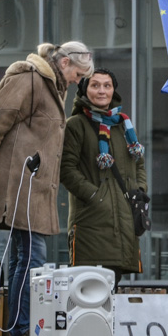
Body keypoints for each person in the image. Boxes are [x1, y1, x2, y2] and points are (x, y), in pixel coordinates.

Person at [0, 42, 94, 336]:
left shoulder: (51, 86)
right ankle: (23, 332)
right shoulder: (30, 80)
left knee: (23, 260)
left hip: (31, 189)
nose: (79, 81)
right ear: (64, 62)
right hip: (20, 188)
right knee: (31, 259)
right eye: (78, 74)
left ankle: (19, 331)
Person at [60, 68, 147, 287]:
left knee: (112, 292)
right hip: (92, 220)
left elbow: (139, 163)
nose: (102, 91)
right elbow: (66, 169)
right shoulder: (76, 124)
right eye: (95, 85)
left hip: (124, 219)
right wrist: (95, 196)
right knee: (90, 294)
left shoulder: (123, 125)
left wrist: (140, 191)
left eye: (107, 85)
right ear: (84, 90)